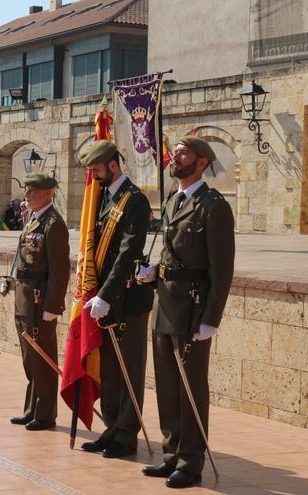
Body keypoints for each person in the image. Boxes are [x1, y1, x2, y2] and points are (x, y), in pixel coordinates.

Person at [135, 136, 235, 489]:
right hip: (164, 301)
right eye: (175, 153)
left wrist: (211, 318)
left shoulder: (214, 206)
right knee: (166, 384)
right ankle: (171, 453)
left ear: (202, 162)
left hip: (193, 309)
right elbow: (171, 253)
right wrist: (152, 272)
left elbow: (222, 270)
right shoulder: (172, 201)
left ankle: (190, 463)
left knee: (191, 387)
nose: (175, 158)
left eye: (183, 154)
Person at [77, 140, 154, 459]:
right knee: (109, 368)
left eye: (97, 170)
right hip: (105, 299)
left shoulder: (134, 201)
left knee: (129, 369)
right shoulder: (106, 198)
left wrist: (106, 295)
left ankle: (127, 433)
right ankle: (112, 426)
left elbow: (128, 252)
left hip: (128, 300)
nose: (94, 177)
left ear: (113, 164)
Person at [10, 173, 69, 431]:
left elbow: (60, 270)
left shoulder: (53, 223)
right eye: (27, 191)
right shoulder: (32, 219)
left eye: (33, 191)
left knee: (42, 359)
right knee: (29, 359)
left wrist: (52, 307)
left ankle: (45, 414)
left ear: (48, 193)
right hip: (24, 297)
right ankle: (32, 408)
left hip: (39, 301)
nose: (27, 195)